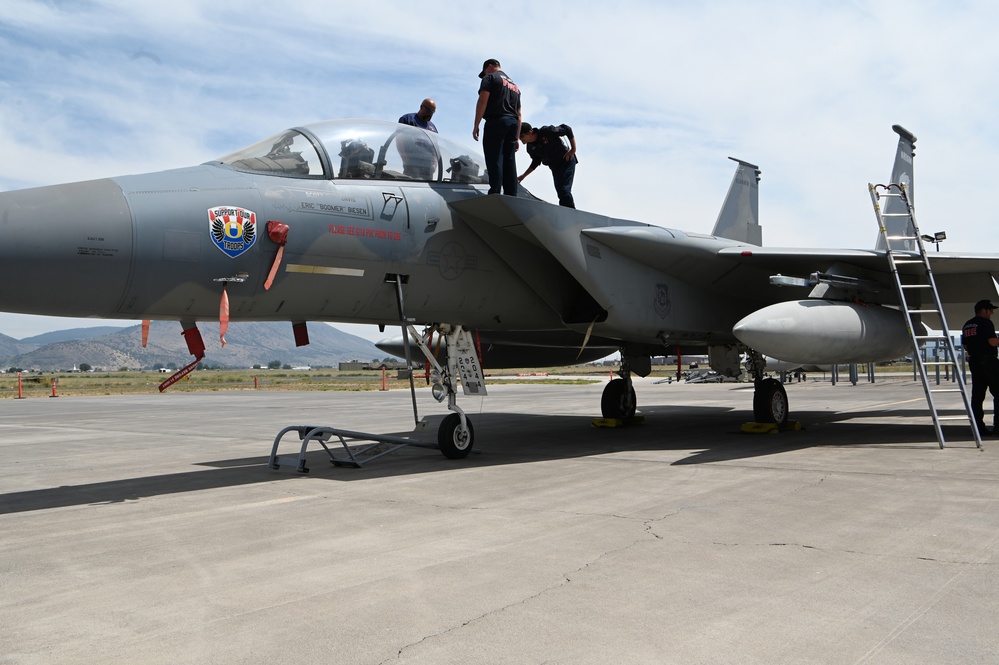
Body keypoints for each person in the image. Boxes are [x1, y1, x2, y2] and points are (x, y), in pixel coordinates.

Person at [472, 58, 521, 196]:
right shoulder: (515, 86)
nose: (484, 75)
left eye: (485, 72)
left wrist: (476, 124)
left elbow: (483, 101)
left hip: (497, 121)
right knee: (509, 159)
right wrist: (517, 136)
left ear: (490, 66)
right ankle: (511, 194)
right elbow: (519, 113)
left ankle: (495, 192)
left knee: (495, 157)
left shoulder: (490, 78)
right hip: (512, 123)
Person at [961, 299, 999, 436]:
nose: (992, 313)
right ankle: (998, 427)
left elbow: (965, 346)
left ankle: (978, 427)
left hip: (975, 362)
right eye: (990, 310)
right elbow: (993, 342)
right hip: (988, 362)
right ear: (984, 310)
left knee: (977, 396)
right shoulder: (985, 323)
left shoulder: (967, 325)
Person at [517, 122, 578, 208]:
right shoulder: (530, 148)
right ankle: (566, 211)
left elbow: (567, 129)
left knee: (563, 190)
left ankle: (571, 213)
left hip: (566, 162)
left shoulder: (547, 131)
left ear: (530, 132)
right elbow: (535, 162)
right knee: (561, 193)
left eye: (522, 136)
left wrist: (573, 149)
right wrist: (523, 176)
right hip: (555, 167)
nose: (521, 139)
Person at [397, 99, 438, 179]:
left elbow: (435, 147)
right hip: (412, 161)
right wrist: (404, 157)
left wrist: (435, 163)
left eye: (432, 112)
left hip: (428, 164)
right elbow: (399, 139)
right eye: (429, 111)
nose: (430, 114)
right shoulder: (408, 119)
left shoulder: (432, 127)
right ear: (422, 107)